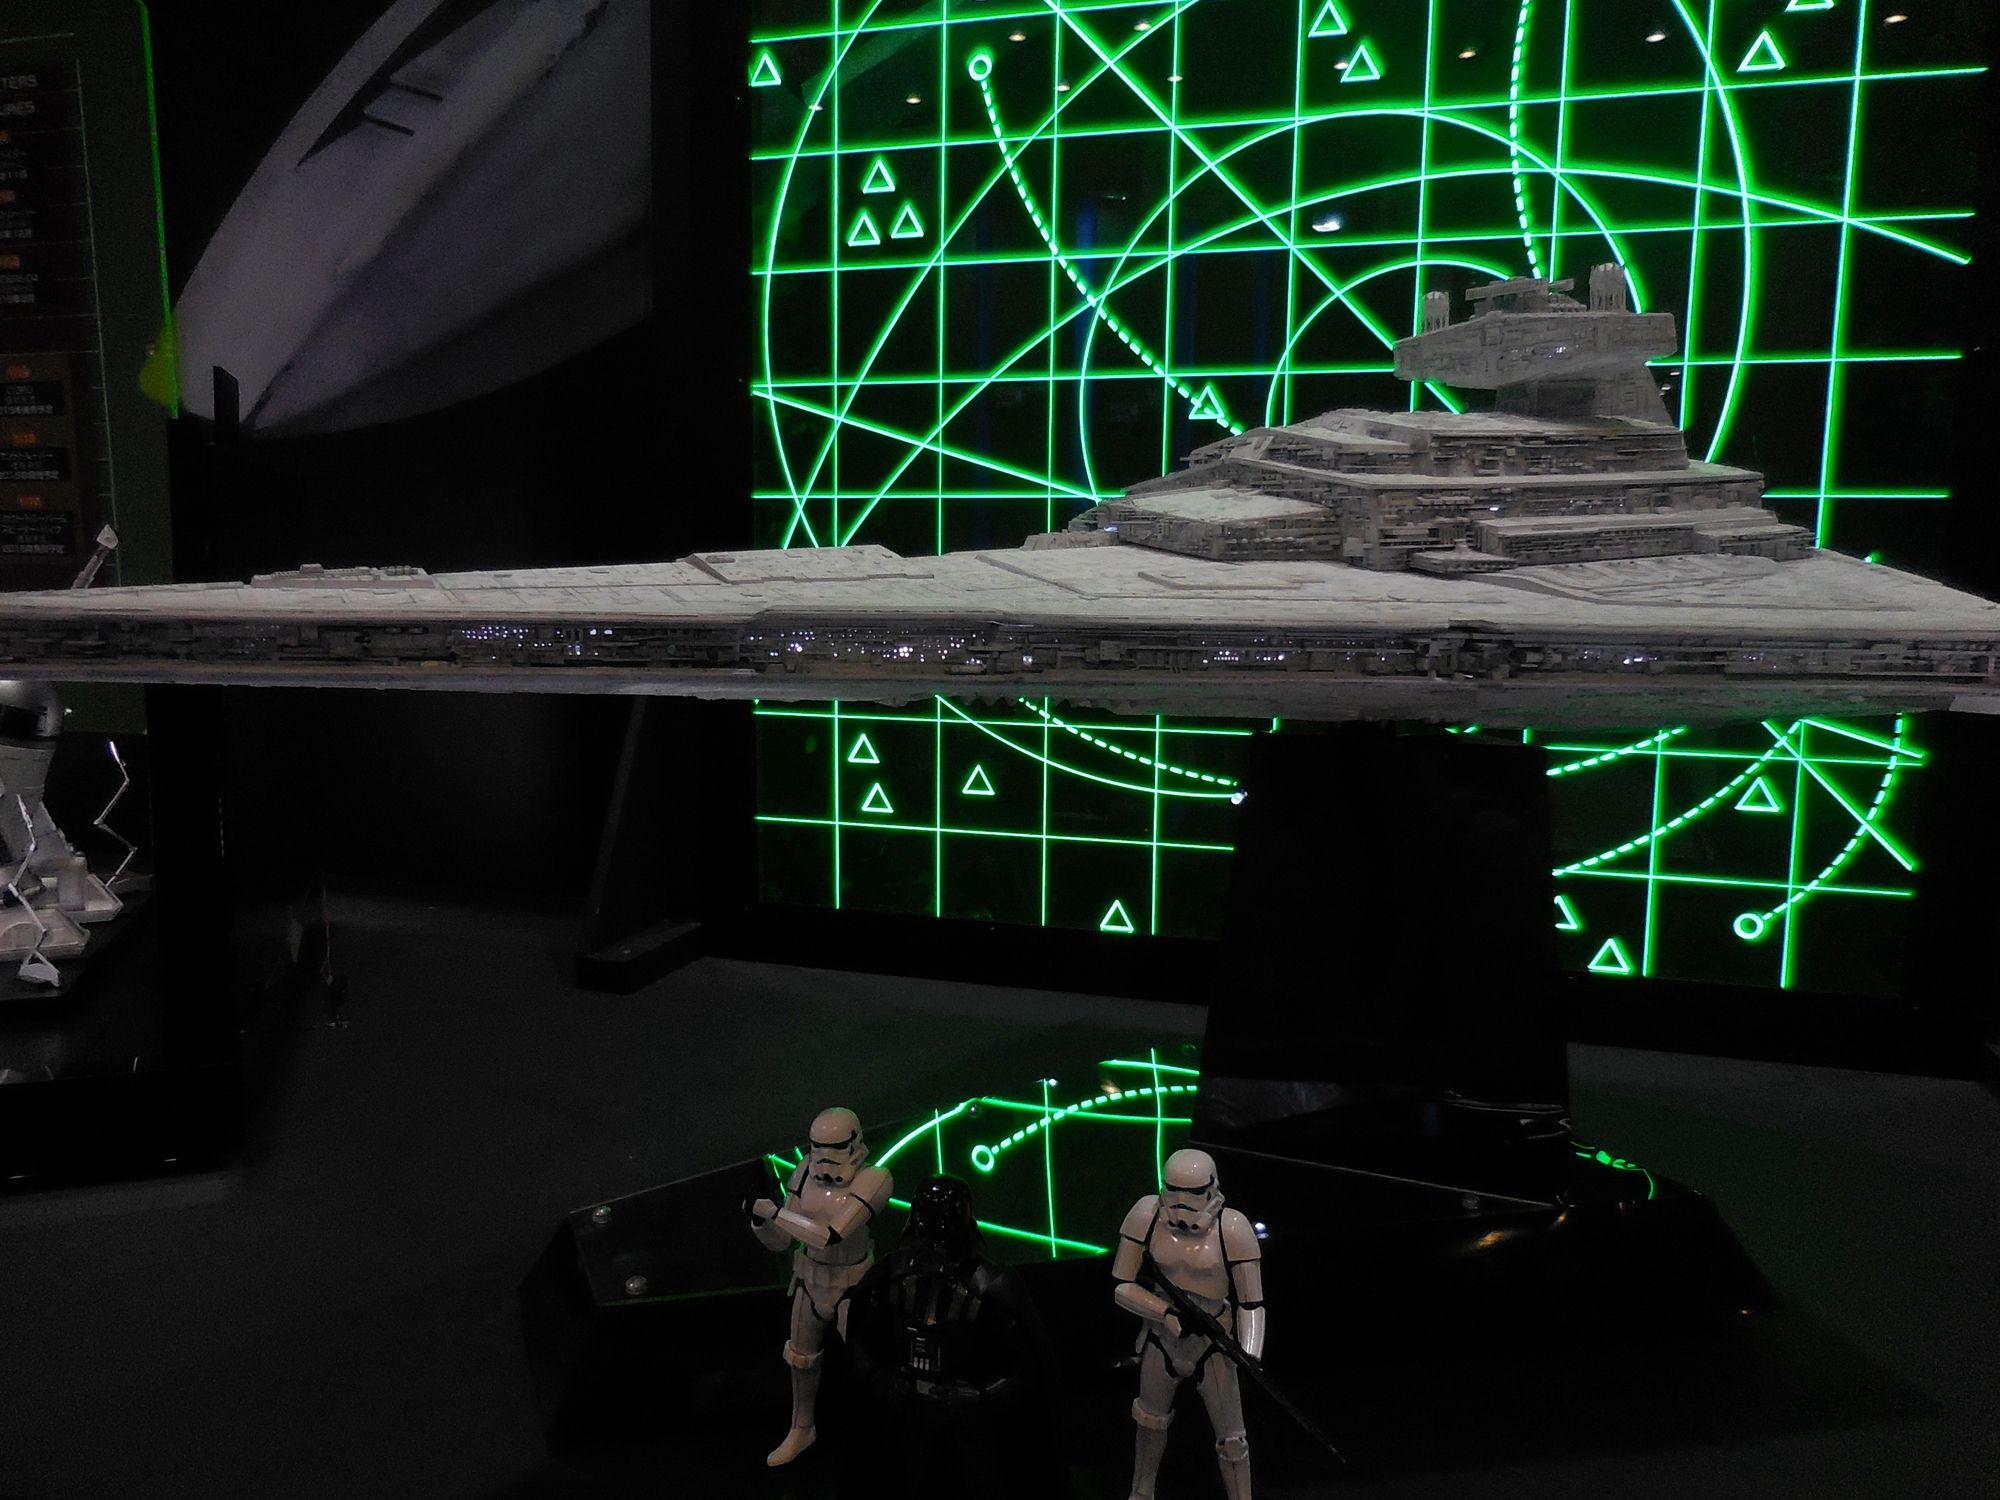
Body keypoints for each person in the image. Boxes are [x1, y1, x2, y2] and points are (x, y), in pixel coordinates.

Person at [842, 1175, 1059, 1499]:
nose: (932, 1250)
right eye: (924, 1236)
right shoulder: (891, 1275)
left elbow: (1029, 1367)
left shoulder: (990, 1287)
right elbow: (859, 1340)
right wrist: (877, 1376)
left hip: (967, 1417)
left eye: (942, 1239)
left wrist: (980, 1396)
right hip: (911, 1408)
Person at [1110, 1148, 1265, 1500]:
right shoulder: (1147, 1214)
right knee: (1149, 1421)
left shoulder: (1231, 1227)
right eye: (1174, 1190)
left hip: (1213, 1342)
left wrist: (1249, 1353)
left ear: (1211, 1189)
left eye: (1192, 1193)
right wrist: (1163, 1313)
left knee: (1232, 1440)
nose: (1182, 1204)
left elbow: (1251, 1303)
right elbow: (1121, 1285)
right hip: (1163, 1336)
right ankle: (1141, 1493)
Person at [747, 1106, 893, 1466]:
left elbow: (829, 1235)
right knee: (801, 1359)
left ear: (855, 1144)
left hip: (852, 1286)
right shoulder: (802, 1173)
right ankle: (802, 1427)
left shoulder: (874, 1179)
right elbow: (782, 1241)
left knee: (868, 1363)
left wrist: (775, 1214)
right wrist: (760, 1223)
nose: (824, 1157)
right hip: (809, 1281)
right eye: (817, 1147)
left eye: (835, 1147)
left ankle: (881, 1435)